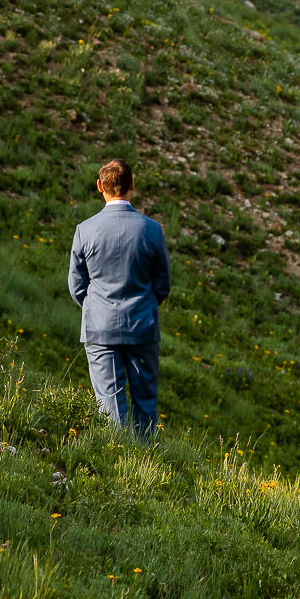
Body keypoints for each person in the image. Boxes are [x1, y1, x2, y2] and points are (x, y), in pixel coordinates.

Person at [68, 159, 170, 438]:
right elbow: (163, 284)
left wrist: (95, 308)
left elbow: (76, 285)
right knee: (145, 404)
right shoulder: (152, 229)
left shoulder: (85, 230)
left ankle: (118, 464)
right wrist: (144, 305)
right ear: (132, 185)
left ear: (100, 186)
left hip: (100, 328)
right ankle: (147, 463)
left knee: (109, 404)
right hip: (143, 326)